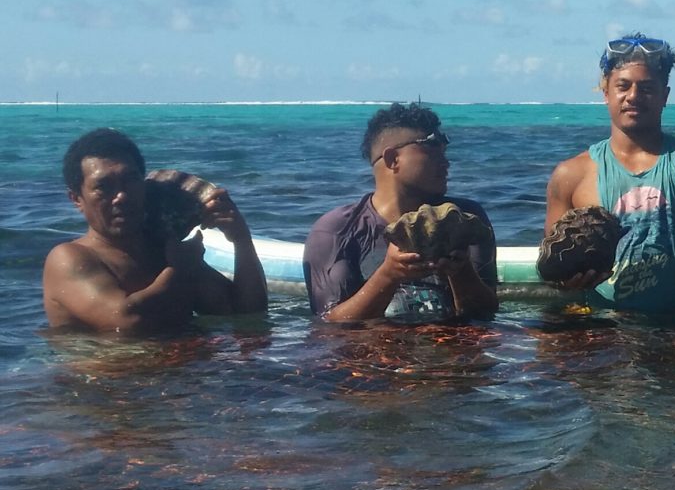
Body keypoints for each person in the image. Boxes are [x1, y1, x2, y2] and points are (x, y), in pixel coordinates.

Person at [544, 33, 675, 317]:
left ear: (665, 96)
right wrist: (567, 281)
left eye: (647, 88)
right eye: (623, 86)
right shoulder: (571, 174)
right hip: (603, 330)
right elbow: (554, 265)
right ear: (606, 93)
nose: (633, 97)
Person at [42, 128, 265, 331]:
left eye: (130, 181)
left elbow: (246, 312)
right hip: (108, 374)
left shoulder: (162, 252)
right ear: (76, 199)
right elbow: (125, 321)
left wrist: (241, 238)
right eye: (103, 187)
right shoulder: (69, 258)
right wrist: (179, 270)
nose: (121, 196)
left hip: (185, 370)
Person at [304, 103, 497, 323]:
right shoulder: (336, 230)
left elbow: (486, 313)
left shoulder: (464, 218)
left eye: (444, 152)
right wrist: (389, 274)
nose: (446, 162)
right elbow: (330, 323)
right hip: (377, 352)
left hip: (451, 349)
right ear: (392, 159)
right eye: (432, 149)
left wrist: (462, 272)